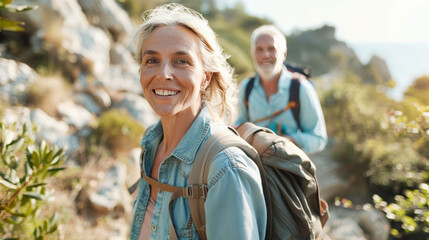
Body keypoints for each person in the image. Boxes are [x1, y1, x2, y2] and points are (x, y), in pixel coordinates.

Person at [129, 3, 266, 240]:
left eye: (181, 61)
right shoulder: (151, 144)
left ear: (205, 77)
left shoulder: (226, 168)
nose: (163, 74)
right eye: (152, 60)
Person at [235, 25, 328, 154]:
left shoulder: (301, 88)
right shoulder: (246, 87)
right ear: (253, 54)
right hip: (254, 169)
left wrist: (287, 141)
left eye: (271, 49)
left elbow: (318, 139)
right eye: (259, 49)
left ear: (283, 54)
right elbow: (239, 125)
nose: (265, 55)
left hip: (289, 170)